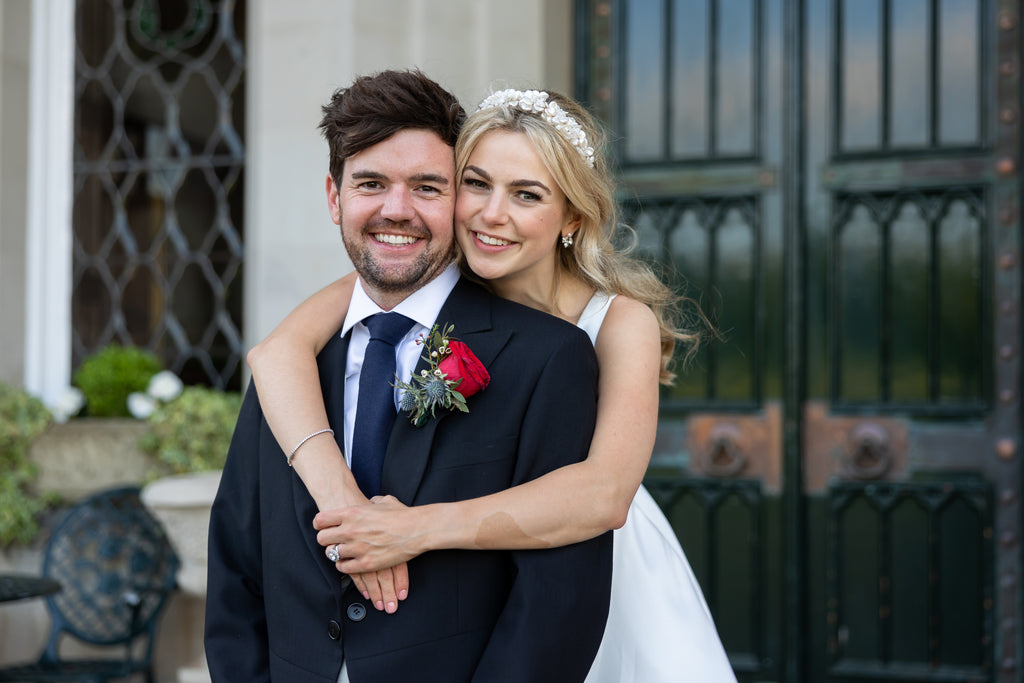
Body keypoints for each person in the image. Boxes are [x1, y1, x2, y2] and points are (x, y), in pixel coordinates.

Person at [248, 82, 737, 682]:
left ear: (571, 217)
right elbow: (277, 352)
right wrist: (345, 504)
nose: (490, 214)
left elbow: (603, 495)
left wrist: (414, 529)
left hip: (589, 558)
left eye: (526, 194)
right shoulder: (434, 273)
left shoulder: (616, 321)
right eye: (476, 184)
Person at [204, 70, 612, 683]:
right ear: (334, 197)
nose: (397, 210)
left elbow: (557, 601)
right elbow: (237, 562)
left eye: (427, 186)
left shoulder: (548, 356)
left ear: (457, 201)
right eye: (370, 183)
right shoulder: (290, 362)